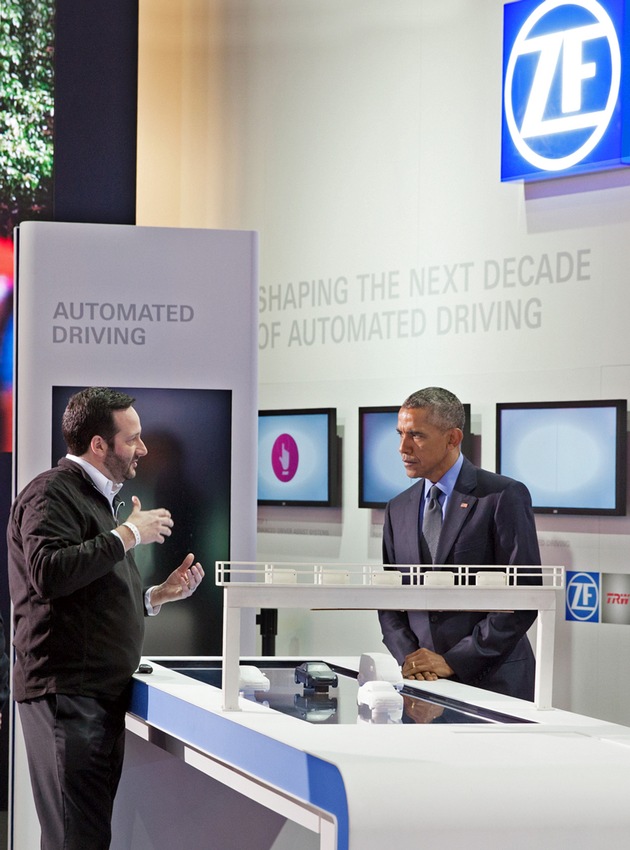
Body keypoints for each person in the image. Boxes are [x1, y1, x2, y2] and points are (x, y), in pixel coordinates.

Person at [7, 387, 205, 850]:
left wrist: (154, 596)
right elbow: (48, 574)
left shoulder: (95, 499)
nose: (143, 449)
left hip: (90, 696)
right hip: (66, 694)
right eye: (132, 439)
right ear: (99, 444)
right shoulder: (51, 492)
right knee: (76, 838)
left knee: (85, 836)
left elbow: (87, 595)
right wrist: (129, 534)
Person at [378, 386, 541, 701]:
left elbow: (524, 596)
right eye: (400, 434)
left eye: (416, 435)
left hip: (495, 683)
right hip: (422, 684)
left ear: (452, 438)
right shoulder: (397, 508)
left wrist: (453, 661)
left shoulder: (502, 496)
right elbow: (388, 596)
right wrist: (411, 657)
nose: (402, 447)